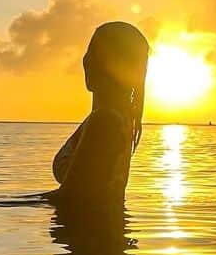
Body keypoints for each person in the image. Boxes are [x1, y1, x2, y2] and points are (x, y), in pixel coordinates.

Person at [49, 21, 149, 212]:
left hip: (88, 238)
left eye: (94, 52)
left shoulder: (106, 121)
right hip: (95, 235)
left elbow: (70, 198)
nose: (86, 60)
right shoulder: (119, 118)